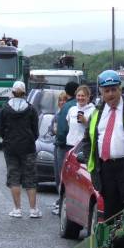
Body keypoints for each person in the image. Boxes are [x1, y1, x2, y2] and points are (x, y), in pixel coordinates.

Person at [80, 70, 124, 220]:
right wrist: (90, 163)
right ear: (101, 92)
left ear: (120, 88)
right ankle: (113, 244)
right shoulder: (97, 113)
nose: (111, 94)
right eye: (106, 91)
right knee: (111, 213)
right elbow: (87, 141)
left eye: (114, 89)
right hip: (105, 169)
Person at [0, 81, 41, 218]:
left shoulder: (5, 109)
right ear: (24, 93)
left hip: (10, 147)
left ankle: (17, 209)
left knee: (14, 177)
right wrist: (29, 139)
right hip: (28, 147)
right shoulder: (31, 109)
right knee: (30, 178)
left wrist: (7, 139)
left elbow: (0, 129)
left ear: (12, 92)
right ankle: (33, 210)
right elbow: (36, 131)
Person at [53, 81, 79, 214]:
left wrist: (59, 142)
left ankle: (62, 204)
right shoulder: (85, 106)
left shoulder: (67, 107)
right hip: (80, 148)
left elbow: (62, 130)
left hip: (64, 147)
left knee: (62, 176)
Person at [49, 91, 67, 214]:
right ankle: (59, 199)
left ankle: (62, 201)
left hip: (64, 147)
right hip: (57, 146)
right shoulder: (57, 114)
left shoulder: (67, 113)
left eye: (64, 100)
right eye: (60, 100)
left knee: (62, 175)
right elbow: (51, 129)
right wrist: (53, 130)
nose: (61, 102)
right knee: (57, 175)